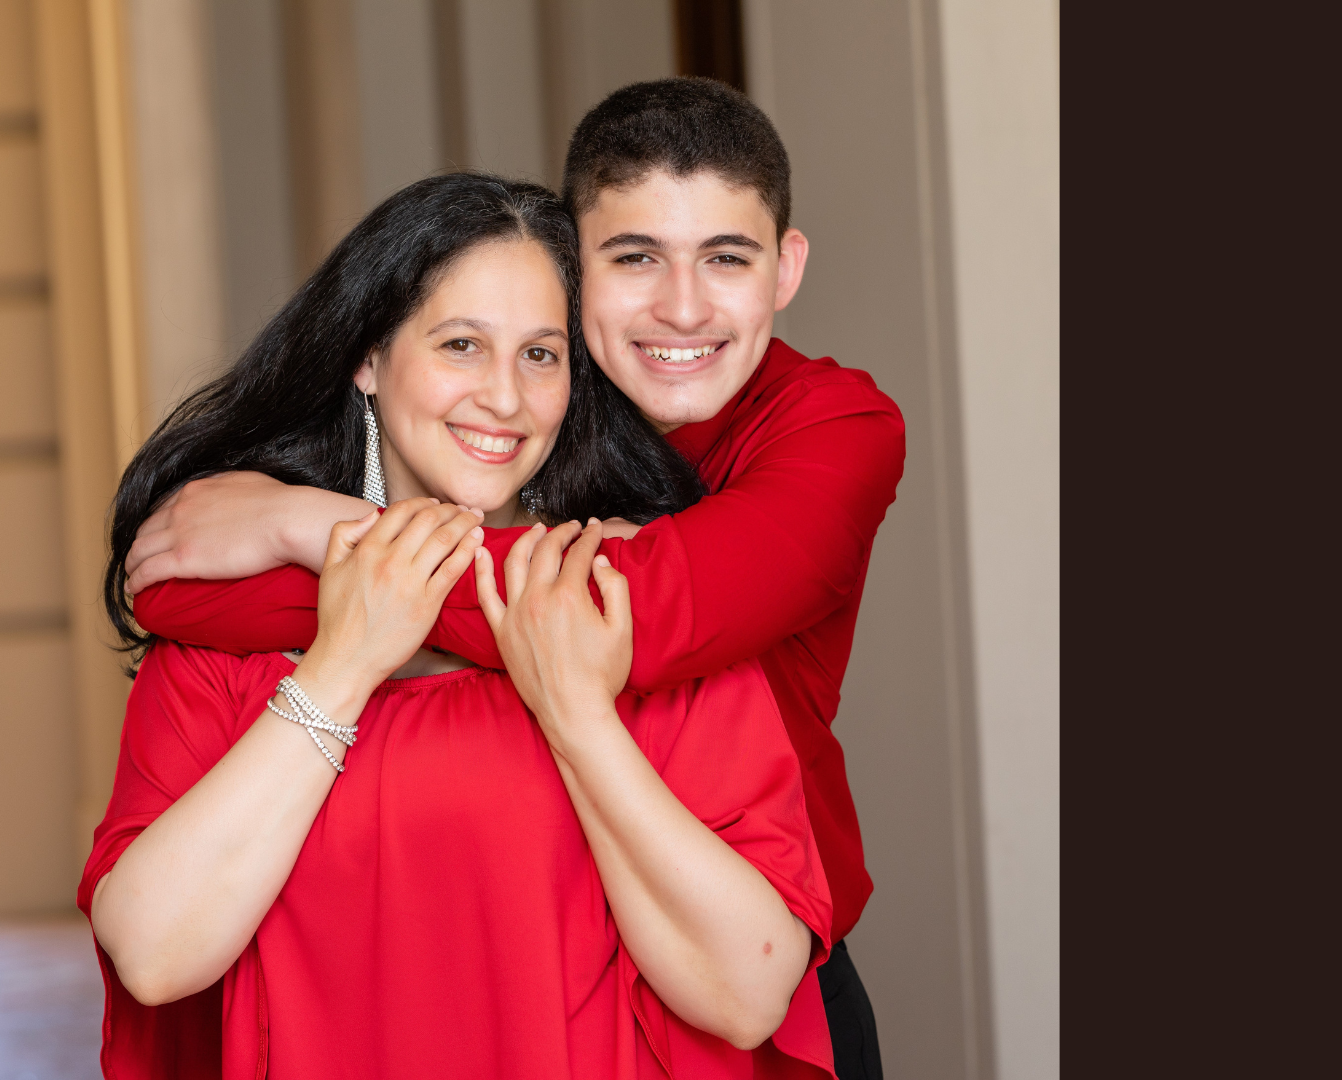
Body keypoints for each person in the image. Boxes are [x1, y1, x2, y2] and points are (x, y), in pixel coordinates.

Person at [121, 78, 903, 1079]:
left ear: (785, 269)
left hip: (760, 954)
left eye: (726, 258)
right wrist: (356, 607)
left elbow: (643, 616)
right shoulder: (559, 515)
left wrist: (307, 527)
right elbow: (178, 594)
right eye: (634, 258)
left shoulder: (833, 428)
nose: (682, 306)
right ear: (577, 277)